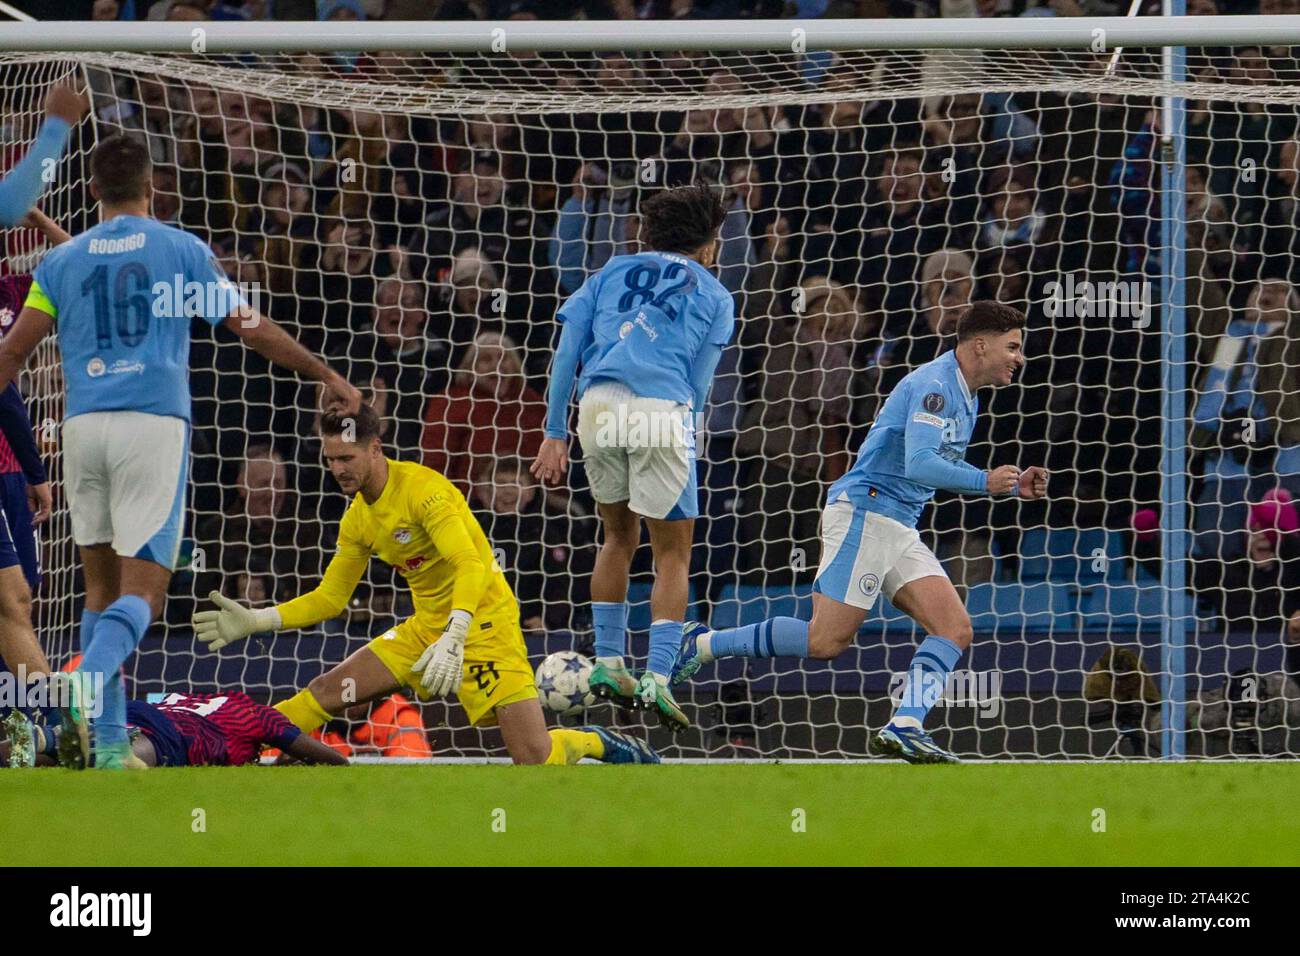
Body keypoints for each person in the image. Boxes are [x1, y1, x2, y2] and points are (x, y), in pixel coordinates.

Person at [0, 133, 361, 770]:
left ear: (91, 193)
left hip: (82, 429)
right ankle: (82, 685)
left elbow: (13, 353)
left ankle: (110, 748)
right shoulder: (181, 250)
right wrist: (323, 373)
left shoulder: (62, 262)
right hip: (152, 426)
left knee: (98, 592)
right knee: (147, 593)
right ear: (152, 188)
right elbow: (250, 329)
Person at [672, 301, 1048, 763]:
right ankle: (703, 643)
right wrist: (985, 481)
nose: (1019, 357)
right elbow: (920, 461)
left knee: (954, 627)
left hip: (898, 522)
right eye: (1012, 347)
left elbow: (931, 465)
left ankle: (905, 724)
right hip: (866, 513)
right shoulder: (936, 386)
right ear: (980, 345)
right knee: (825, 640)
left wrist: (1007, 487)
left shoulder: (966, 393)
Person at [192, 405, 658, 766]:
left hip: (484, 624)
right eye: (330, 459)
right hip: (425, 629)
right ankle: (231, 750)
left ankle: (594, 740)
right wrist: (258, 619)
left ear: (375, 448)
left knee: (534, 758)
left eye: (347, 458)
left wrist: (457, 633)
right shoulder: (358, 517)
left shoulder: (425, 492)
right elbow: (331, 598)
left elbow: (470, 565)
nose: (337, 469)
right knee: (327, 691)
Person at [531, 182, 733, 732]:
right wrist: (685, 432)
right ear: (709, 242)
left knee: (617, 538)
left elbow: (566, 352)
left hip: (596, 408)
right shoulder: (715, 294)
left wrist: (555, 433)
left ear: (646, 233)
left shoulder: (608, 274)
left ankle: (610, 664)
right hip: (661, 409)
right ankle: (659, 678)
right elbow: (699, 380)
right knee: (673, 555)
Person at [3, 690, 348, 768]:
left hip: (140, 710)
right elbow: (333, 759)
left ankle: (33, 743)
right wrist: (293, 755)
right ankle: (47, 736)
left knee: (61, 762)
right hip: (176, 736)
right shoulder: (261, 717)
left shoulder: (201, 697)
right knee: (124, 759)